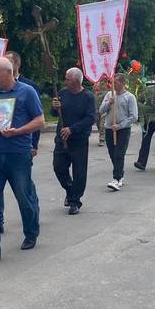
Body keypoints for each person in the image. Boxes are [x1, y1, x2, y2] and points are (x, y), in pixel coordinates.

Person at [0, 57, 44, 267]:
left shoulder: (27, 92)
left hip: (18, 155)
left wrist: (18, 132)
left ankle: (31, 232)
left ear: (8, 73)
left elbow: (39, 121)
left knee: (24, 196)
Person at [51, 68, 96, 215]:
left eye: (68, 79)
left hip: (78, 140)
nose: (65, 81)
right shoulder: (63, 93)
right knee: (58, 167)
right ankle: (70, 190)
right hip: (61, 139)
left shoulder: (87, 96)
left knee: (79, 172)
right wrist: (54, 107)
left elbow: (90, 118)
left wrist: (72, 129)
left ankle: (75, 201)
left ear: (76, 81)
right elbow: (54, 113)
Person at [98, 73, 138, 191]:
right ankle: (120, 174)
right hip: (109, 129)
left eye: (116, 82)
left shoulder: (129, 97)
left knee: (119, 154)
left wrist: (120, 125)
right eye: (113, 82)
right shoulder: (109, 95)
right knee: (112, 154)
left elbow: (134, 116)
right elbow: (101, 110)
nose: (113, 85)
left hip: (123, 130)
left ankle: (116, 179)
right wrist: (108, 103)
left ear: (123, 83)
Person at [5, 51, 41, 158]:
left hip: (22, 142)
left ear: (17, 64)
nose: (5, 64)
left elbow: (37, 116)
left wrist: (34, 144)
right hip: (2, 144)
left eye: (8, 61)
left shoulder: (29, 87)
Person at [93, 75, 110, 147]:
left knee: (102, 124)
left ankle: (102, 139)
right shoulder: (96, 83)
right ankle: (103, 135)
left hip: (105, 108)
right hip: (97, 107)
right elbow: (94, 93)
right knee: (98, 123)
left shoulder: (109, 84)